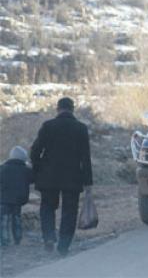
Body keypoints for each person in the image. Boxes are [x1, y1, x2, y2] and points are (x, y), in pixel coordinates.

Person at [30, 97, 93, 256]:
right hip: (72, 177)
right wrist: (88, 182)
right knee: (69, 211)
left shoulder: (48, 126)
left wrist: (38, 171)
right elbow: (86, 157)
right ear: (73, 109)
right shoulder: (81, 128)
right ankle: (64, 245)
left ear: (58, 109)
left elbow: (35, 151)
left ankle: (49, 237)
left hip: (48, 176)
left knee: (47, 208)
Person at [0, 146, 33, 246]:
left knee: (4, 220)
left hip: (4, 198)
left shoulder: (3, 168)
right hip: (19, 199)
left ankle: (4, 240)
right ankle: (17, 239)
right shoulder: (26, 170)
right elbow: (33, 179)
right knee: (16, 218)